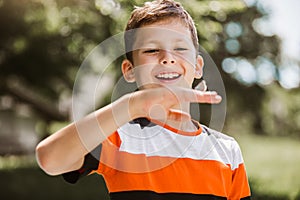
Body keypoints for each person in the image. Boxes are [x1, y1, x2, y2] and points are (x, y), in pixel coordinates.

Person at [35, 0, 251, 199]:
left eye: (180, 48)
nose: (167, 57)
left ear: (197, 67)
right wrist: (133, 106)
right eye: (151, 50)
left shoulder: (227, 150)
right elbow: (50, 158)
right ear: (130, 70)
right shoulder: (120, 137)